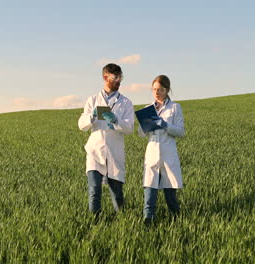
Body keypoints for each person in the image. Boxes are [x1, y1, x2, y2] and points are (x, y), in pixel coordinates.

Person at [78, 63, 134, 215]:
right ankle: (95, 223)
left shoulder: (126, 103)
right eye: (115, 77)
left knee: (117, 194)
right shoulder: (93, 100)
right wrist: (92, 116)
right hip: (95, 152)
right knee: (94, 190)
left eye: (120, 77)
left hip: (114, 152)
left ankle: (122, 222)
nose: (119, 81)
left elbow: (129, 128)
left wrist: (116, 121)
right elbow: (81, 125)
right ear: (105, 77)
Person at [138, 75, 185, 224]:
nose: (157, 92)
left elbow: (180, 131)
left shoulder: (175, 107)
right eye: (154, 89)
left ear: (167, 90)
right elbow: (140, 133)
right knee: (149, 194)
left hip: (168, 155)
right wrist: (146, 126)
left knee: (170, 196)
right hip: (152, 155)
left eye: (160, 90)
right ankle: (148, 222)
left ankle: (177, 222)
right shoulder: (147, 109)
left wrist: (163, 124)